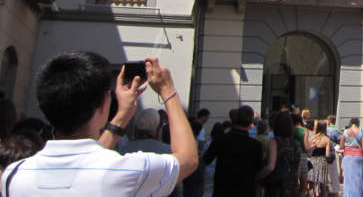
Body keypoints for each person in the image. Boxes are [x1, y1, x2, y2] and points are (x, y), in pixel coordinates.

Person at [0, 52, 197, 196]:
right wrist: (168, 91)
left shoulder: (13, 175)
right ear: (104, 104)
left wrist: (120, 117)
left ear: (42, 108)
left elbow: (85, 165)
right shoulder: (128, 170)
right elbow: (188, 159)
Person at [203, 105, 265, 197]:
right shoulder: (256, 145)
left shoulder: (220, 140)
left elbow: (205, 160)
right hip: (246, 190)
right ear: (251, 123)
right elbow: (258, 169)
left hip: (223, 190)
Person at [263, 110, 301, 197]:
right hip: (291, 187)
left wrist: (258, 176)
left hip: (277, 187)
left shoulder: (274, 142)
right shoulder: (296, 144)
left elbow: (270, 167)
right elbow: (298, 169)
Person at [340, 117, 363, 197]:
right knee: (359, 180)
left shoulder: (345, 132)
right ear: (358, 123)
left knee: (349, 180)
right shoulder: (361, 132)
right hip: (358, 157)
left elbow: (341, 146)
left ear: (351, 123)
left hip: (347, 158)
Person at [308, 121, 333, 197]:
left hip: (312, 161)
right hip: (322, 161)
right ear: (325, 128)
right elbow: (327, 154)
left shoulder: (312, 138)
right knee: (323, 187)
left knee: (311, 186)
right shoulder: (326, 139)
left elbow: (308, 151)